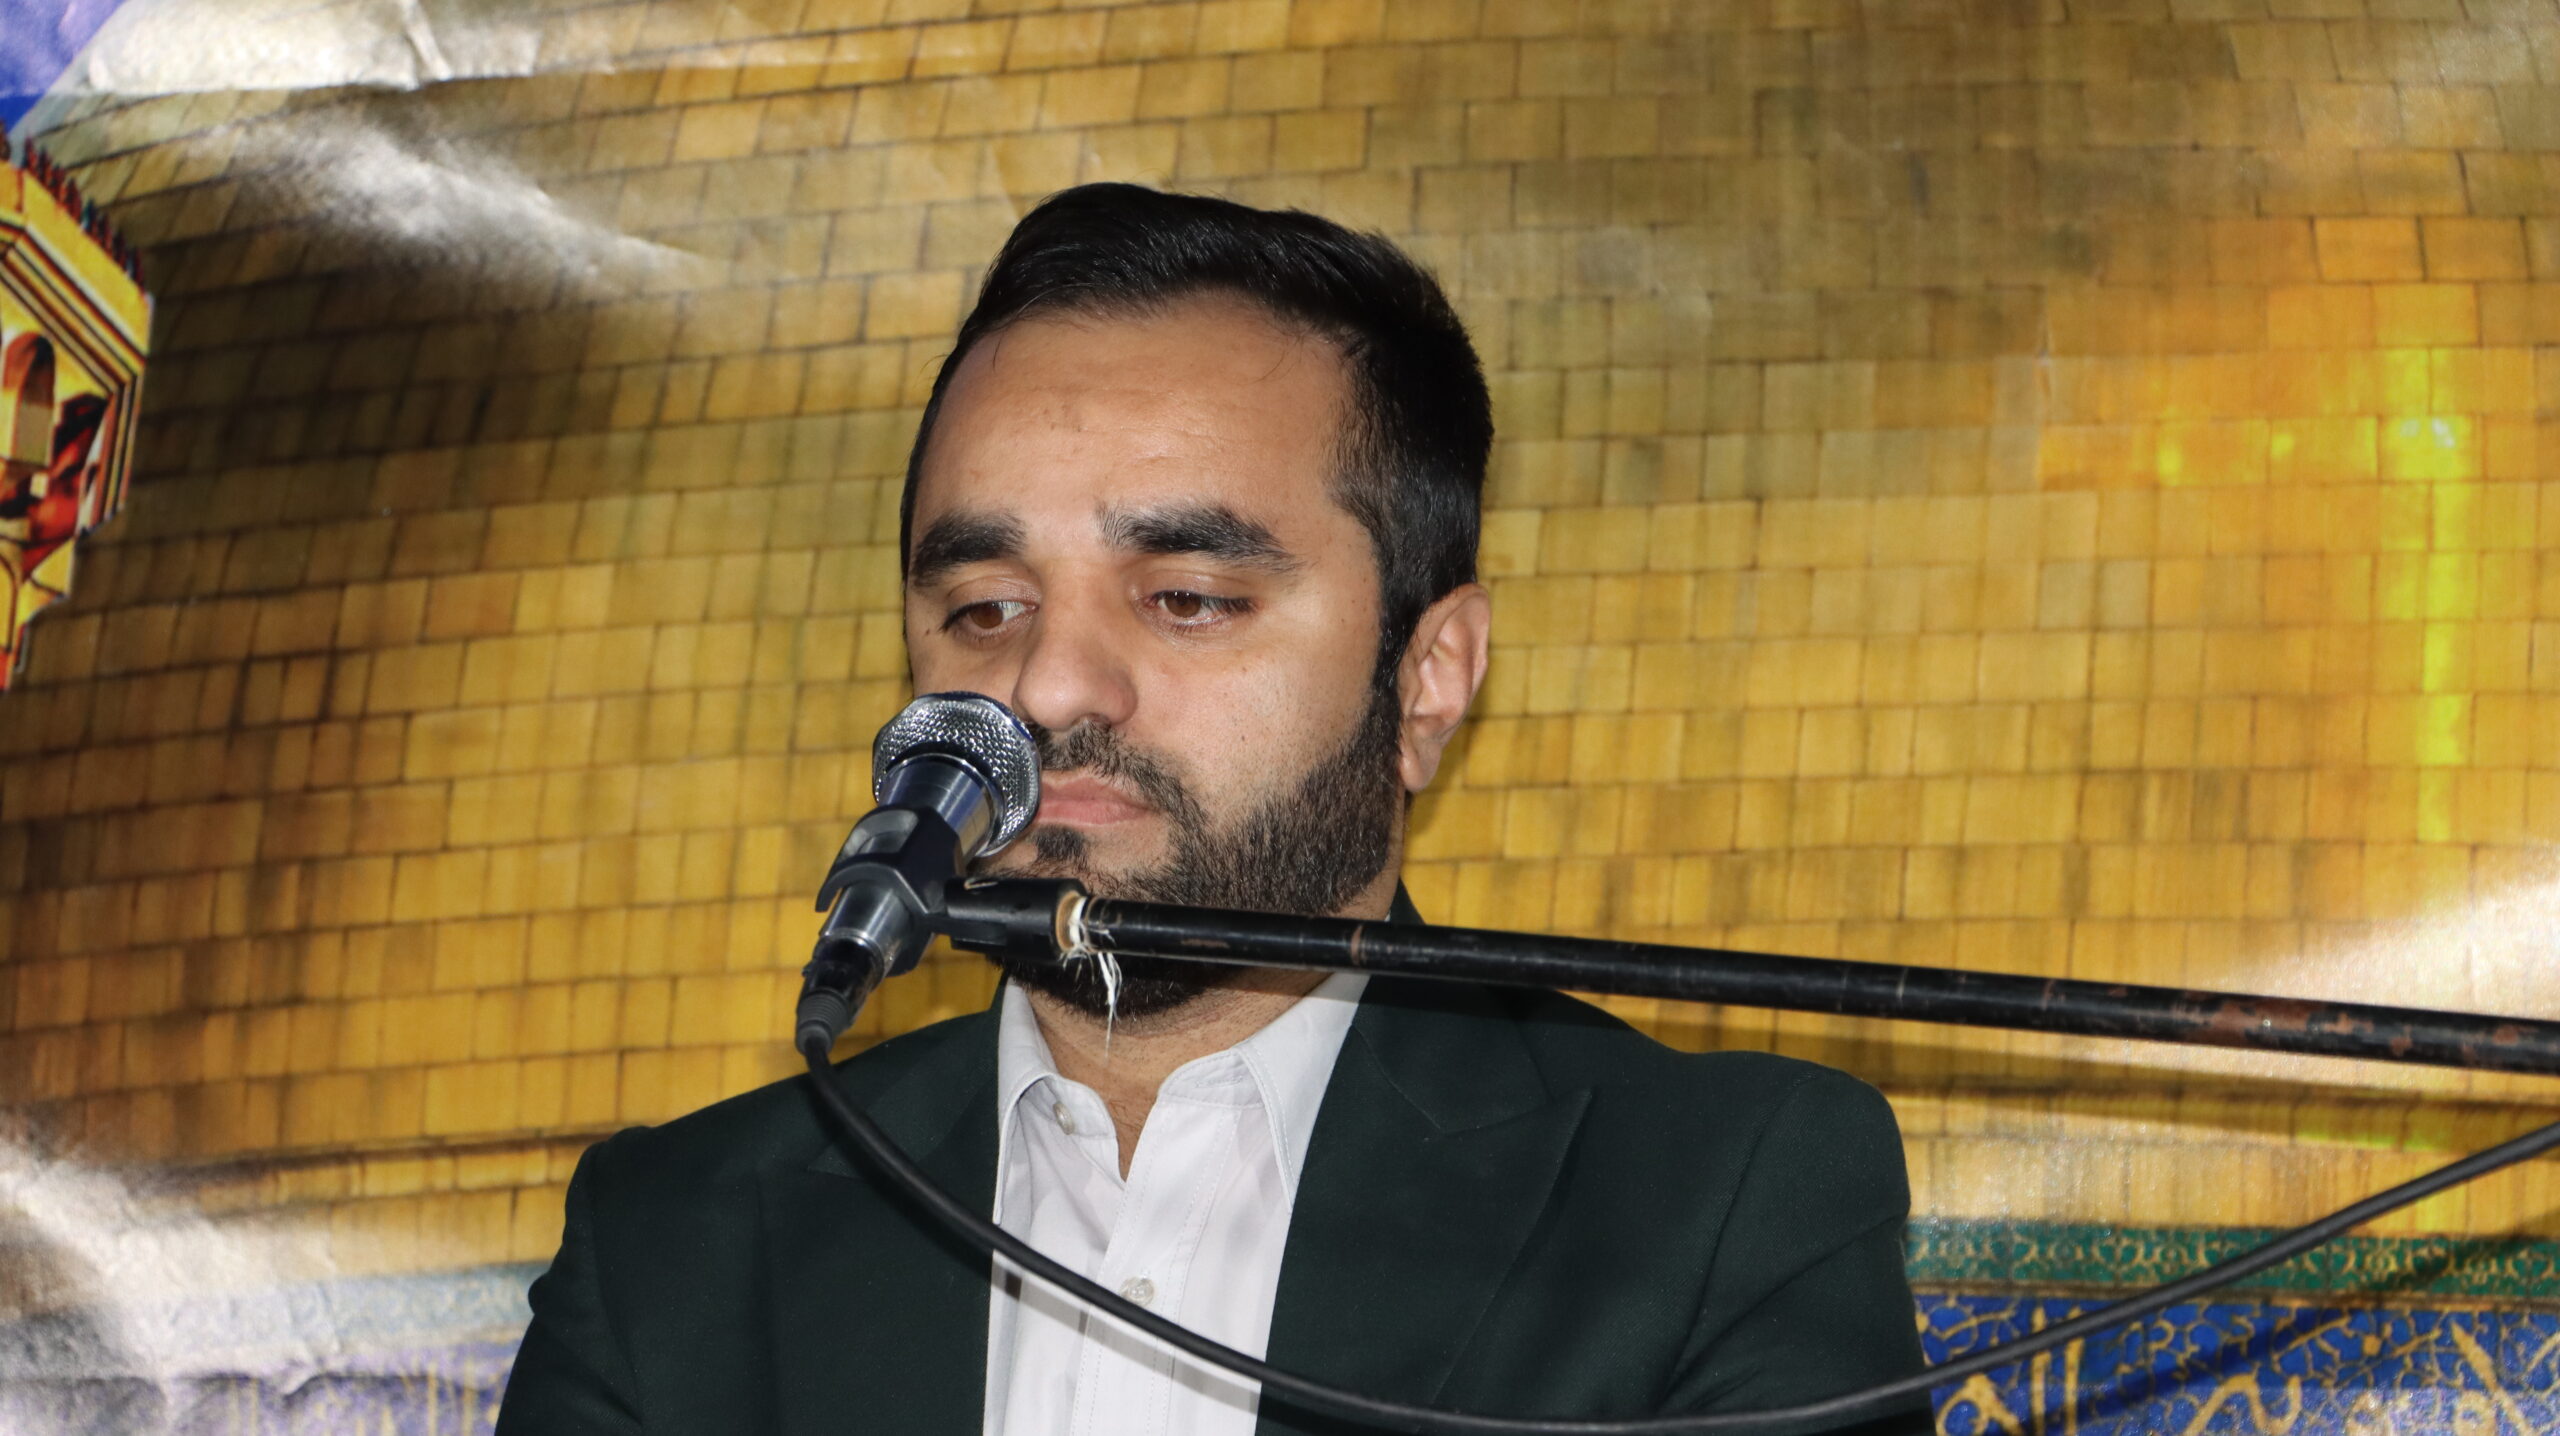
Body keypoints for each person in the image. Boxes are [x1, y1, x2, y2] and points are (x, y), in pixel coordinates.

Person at [495, 184, 1931, 1436]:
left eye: (1185, 598)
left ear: (1429, 679)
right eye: (984, 607)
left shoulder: (1713, 1202)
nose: (1050, 683)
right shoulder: (673, 1246)